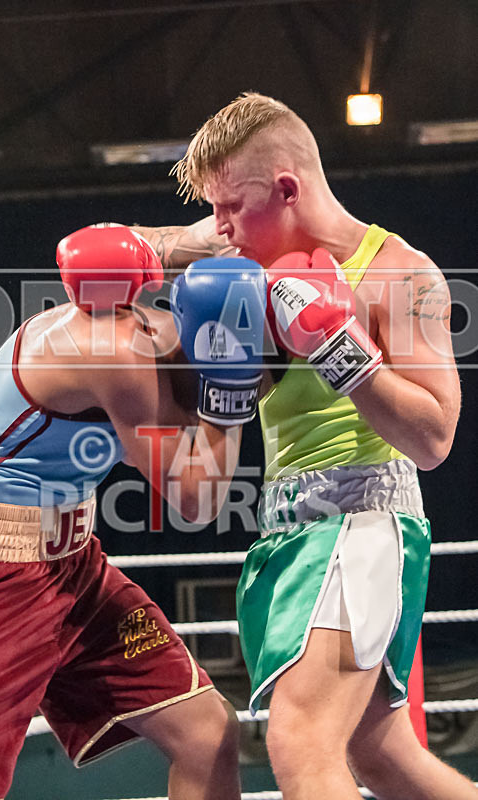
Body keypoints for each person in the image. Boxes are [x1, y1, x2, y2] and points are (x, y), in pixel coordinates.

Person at [117, 93, 474, 798]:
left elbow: (434, 437)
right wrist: (153, 250)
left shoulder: (400, 272)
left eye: (231, 208)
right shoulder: (243, 249)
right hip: (287, 535)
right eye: (213, 210)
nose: (221, 229)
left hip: (363, 526)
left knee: (299, 739)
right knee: (382, 758)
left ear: (287, 189)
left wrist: (344, 352)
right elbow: (136, 244)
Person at [0, 223, 267, 800]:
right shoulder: (111, 351)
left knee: (206, 733)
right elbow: (196, 498)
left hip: (71, 566)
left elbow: (196, 241)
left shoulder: (135, 325)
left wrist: (240, 243)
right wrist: (232, 388)